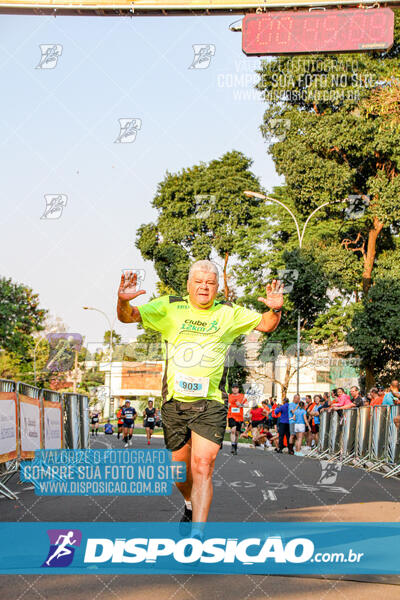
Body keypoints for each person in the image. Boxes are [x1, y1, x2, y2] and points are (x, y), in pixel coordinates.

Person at [117, 260, 283, 526]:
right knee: (180, 472)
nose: (204, 287)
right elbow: (128, 316)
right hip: (175, 403)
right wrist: (122, 302)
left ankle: (198, 537)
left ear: (217, 287)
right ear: (188, 285)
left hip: (211, 402)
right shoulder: (169, 307)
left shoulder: (228, 313)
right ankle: (189, 503)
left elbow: (266, 324)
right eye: (199, 281)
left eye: (210, 282)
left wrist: (275, 310)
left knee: (203, 465)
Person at [227, 384, 247, 455]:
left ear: (238, 389)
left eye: (236, 388)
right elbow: (225, 404)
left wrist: (241, 405)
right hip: (231, 416)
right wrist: (227, 405)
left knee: (237, 433)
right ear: (232, 389)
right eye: (233, 388)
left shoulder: (242, 396)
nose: (235, 389)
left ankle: (235, 446)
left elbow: (247, 404)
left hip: (239, 417)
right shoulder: (229, 396)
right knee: (233, 430)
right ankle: (232, 446)